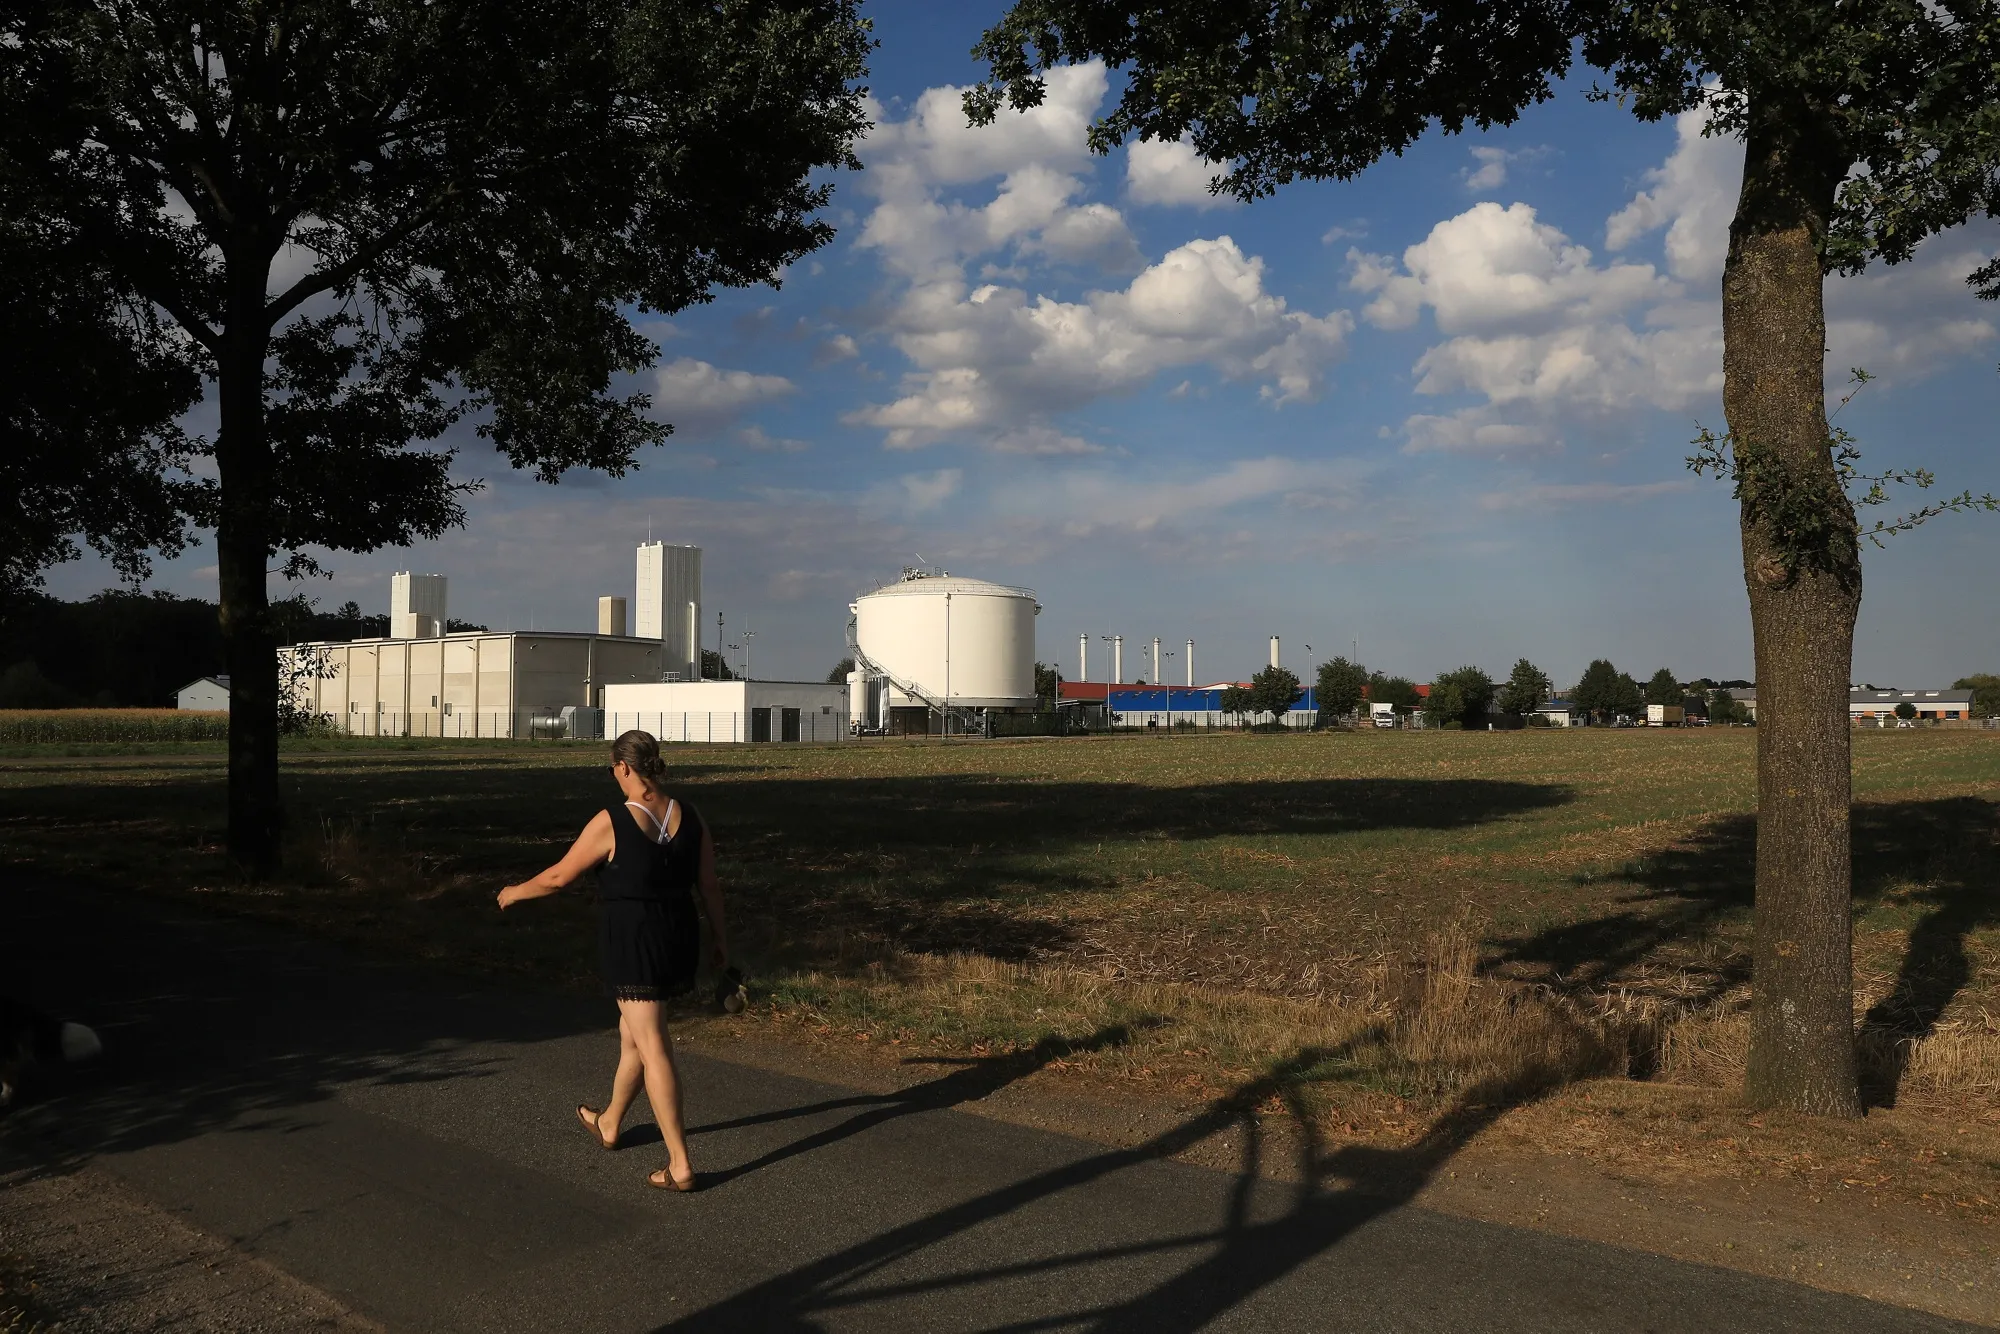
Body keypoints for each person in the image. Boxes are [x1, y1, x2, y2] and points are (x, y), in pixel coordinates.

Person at [497, 730, 727, 1191]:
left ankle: (680, 1163)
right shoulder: (691, 815)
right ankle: (610, 1122)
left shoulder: (613, 820)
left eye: (612, 769)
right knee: (634, 1036)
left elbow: (560, 877)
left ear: (623, 767)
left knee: (653, 1044)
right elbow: (709, 886)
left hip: (634, 941)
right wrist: (722, 942)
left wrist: (513, 893)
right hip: (677, 936)